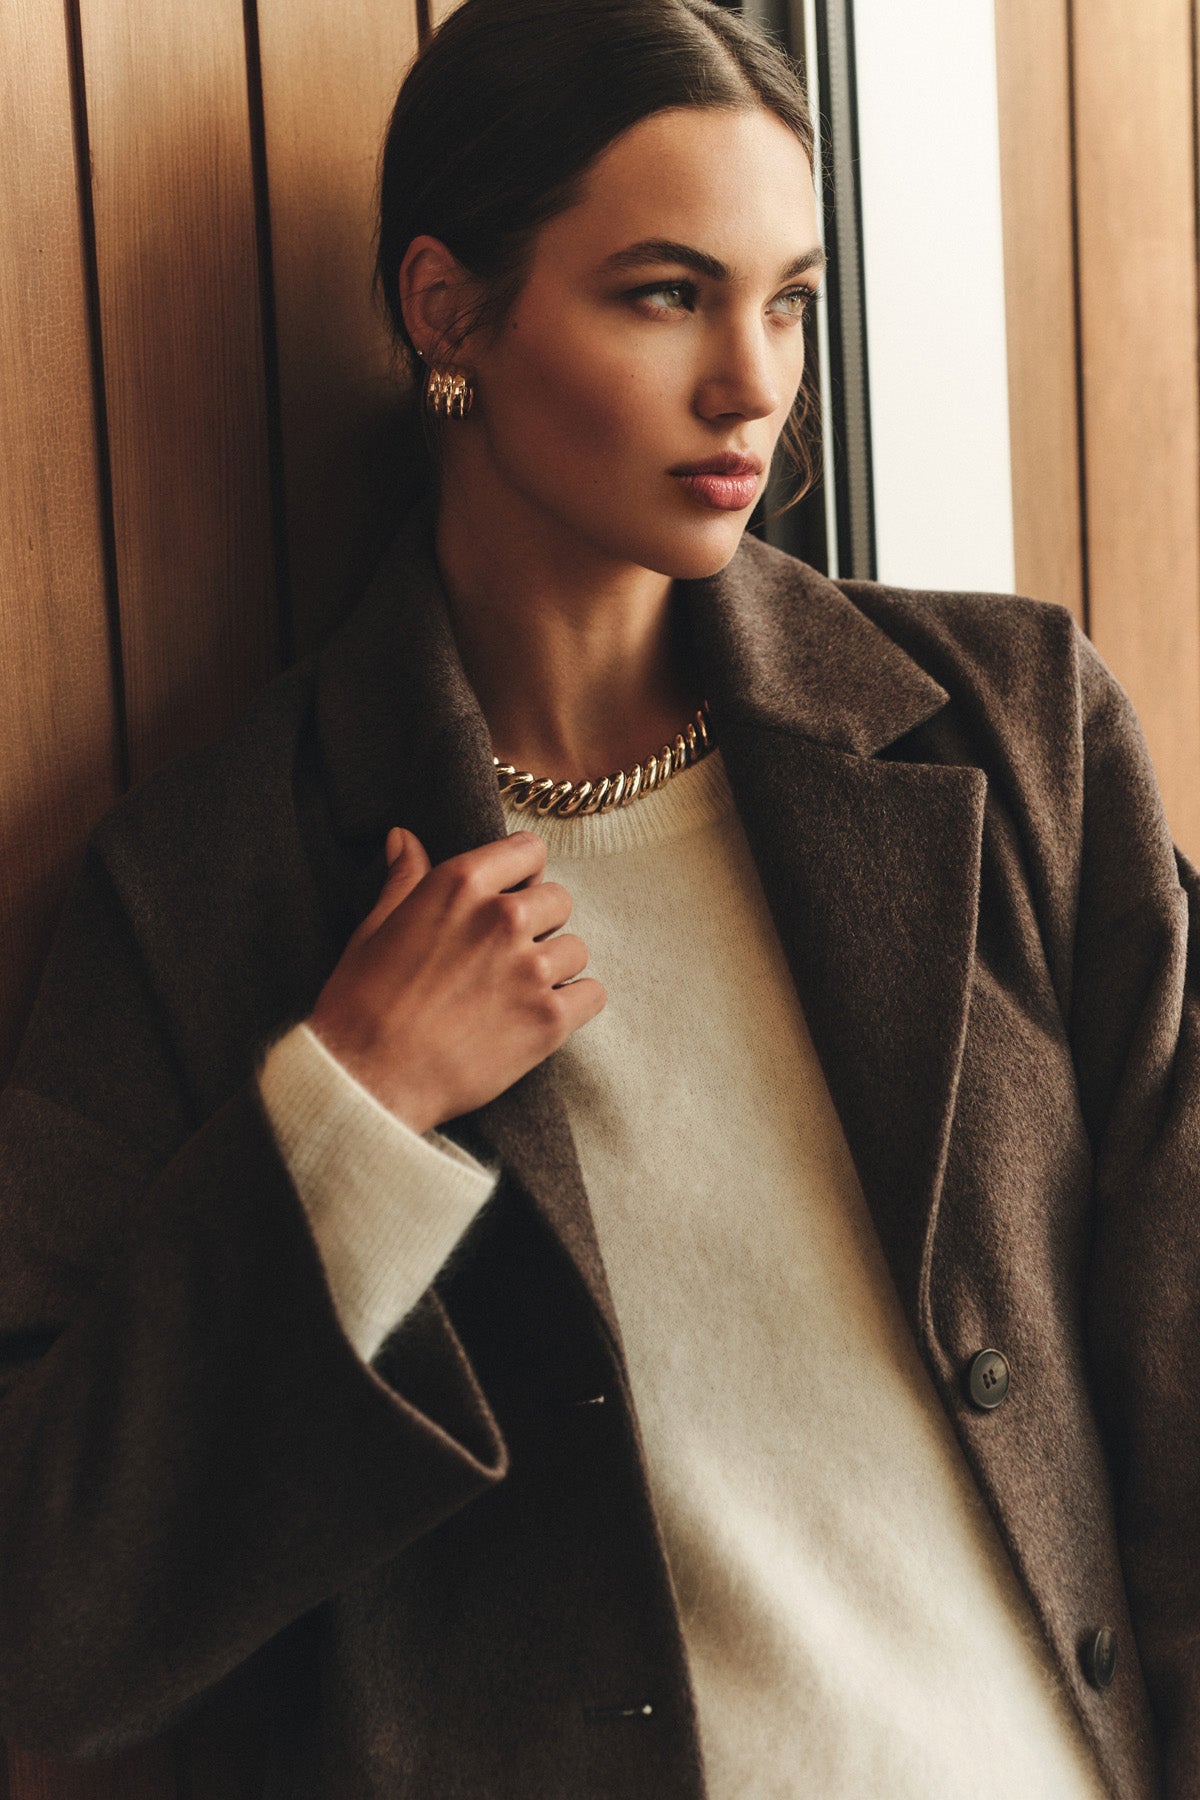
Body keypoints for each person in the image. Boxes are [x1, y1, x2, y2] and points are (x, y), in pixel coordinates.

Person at [0, 0, 1195, 1793]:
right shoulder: (211, 893)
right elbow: (52, 1611)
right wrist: (350, 1112)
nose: (754, 384)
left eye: (787, 297)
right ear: (444, 311)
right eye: (665, 293)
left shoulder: (1018, 738)